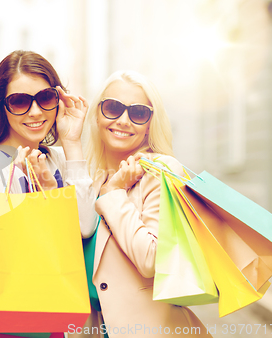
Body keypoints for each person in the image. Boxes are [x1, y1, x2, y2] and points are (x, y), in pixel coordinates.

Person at [83, 70, 211, 337]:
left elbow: (152, 260)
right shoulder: (93, 180)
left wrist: (115, 193)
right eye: (113, 108)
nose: (123, 120)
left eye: (139, 113)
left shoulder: (162, 171)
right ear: (97, 113)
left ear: (151, 123)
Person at [0, 50, 96, 238]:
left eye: (45, 97)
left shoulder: (60, 158)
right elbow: (2, 249)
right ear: (2, 106)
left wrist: (72, 141)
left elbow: (85, 227)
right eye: (19, 101)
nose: (35, 111)